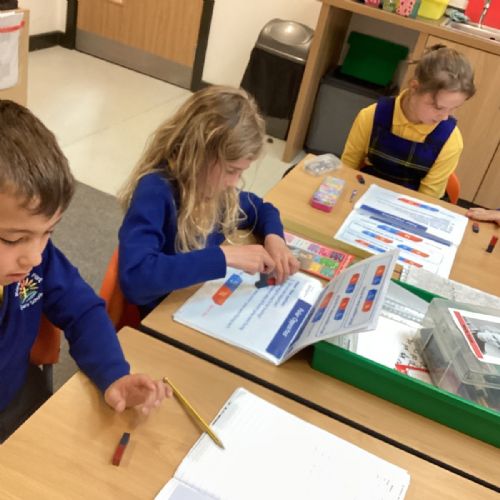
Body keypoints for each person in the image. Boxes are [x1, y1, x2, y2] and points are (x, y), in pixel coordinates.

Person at [0, 100, 170, 443]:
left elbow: (82, 310)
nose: (34, 256)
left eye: (48, 233)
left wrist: (113, 374)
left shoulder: (37, 262)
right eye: (14, 239)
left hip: (18, 402)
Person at [118, 86, 299, 316]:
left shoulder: (215, 191)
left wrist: (275, 239)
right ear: (199, 155)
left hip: (197, 303)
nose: (234, 183)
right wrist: (225, 256)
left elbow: (262, 209)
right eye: (231, 170)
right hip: (165, 315)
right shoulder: (155, 191)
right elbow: (136, 278)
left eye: (240, 173)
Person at [341, 45, 476, 199]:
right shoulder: (370, 117)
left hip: (412, 205)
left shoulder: (451, 141)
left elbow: (427, 199)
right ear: (414, 87)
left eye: (453, 108)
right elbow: (347, 170)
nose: (445, 117)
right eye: (438, 107)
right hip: (366, 196)